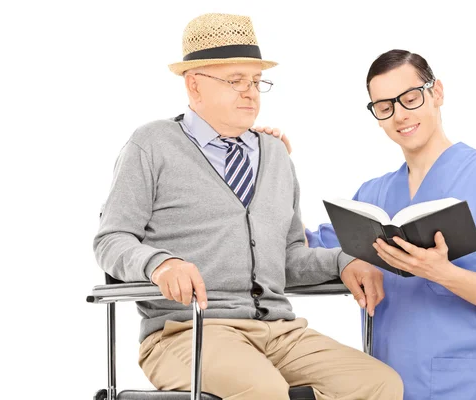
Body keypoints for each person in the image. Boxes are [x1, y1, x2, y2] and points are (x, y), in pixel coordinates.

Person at [93, 13, 404, 400]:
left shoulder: (274, 153)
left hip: (279, 331)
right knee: (264, 391)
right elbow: (111, 239)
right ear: (194, 86)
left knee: (379, 384)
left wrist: (344, 261)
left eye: (256, 82)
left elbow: (289, 257)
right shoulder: (151, 144)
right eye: (235, 81)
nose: (250, 92)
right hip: (187, 332)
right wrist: (161, 263)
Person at [257, 49, 476, 399]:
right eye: (384, 107)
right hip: (389, 382)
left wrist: (440, 271)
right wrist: (273, 169)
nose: (399, 115)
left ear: (436, 93)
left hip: (473, 384)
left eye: (409, 98)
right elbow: (300, 249)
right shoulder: (374, 195)